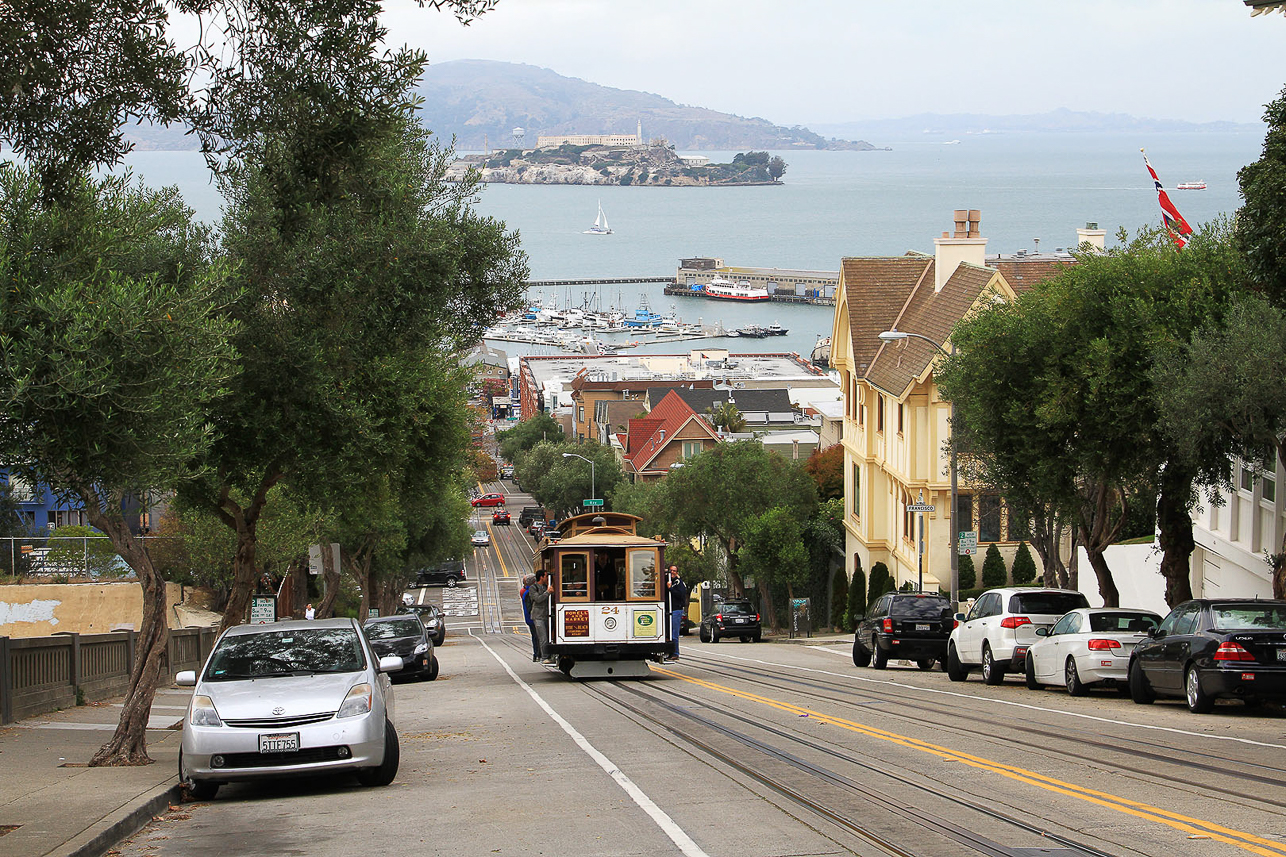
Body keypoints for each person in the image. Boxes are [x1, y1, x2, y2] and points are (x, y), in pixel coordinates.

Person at [528, 568, 555, 664]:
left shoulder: (545, 586)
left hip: (546, 615)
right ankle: (544, 657)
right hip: (538, 616)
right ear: (541, 577)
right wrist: (548, 592)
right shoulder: (533, 588)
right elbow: (538, 599)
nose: (547, 578)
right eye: (546, 576)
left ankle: (548, 655)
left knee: (548, 637)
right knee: (543, 637)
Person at [665, 565, 688, 662]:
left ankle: (675, 653)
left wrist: (671, 589)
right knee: (668, 633)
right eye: (671, 571)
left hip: (676, 610)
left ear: (677, 572)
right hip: (668, 610)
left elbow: (681, 595)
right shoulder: (668, 581)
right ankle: (669, 652)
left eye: (674, 571)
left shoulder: (679, 583)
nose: (672, 572)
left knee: (674, 633)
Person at [520, 574, 540, 662]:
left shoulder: (525, 591)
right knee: (536, 637)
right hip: (533, 619)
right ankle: (537, 654)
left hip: (530, 619)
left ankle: (537, 654)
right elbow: (530, 607)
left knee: (535, 636)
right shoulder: (528, 593)